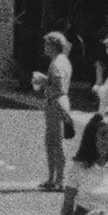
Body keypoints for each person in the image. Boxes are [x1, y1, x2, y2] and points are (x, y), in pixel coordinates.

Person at [36, 33, 74, 190]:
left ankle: (59, 179)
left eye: (47, 44)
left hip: (56, 102)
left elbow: (58, 86)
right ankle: (54, 178)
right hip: (58, 102)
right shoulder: (63, 60)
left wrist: (42, 81)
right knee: (53, 142)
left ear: (53, 45)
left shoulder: (57, 63)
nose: (45, 47)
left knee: (55, 142)